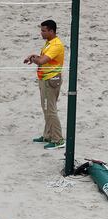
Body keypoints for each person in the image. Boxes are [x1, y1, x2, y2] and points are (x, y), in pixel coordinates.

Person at [23, 19, 65, 150]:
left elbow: (41, 61)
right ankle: (48, 135)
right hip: (45, 79)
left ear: (51, 31)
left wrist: (33, 58)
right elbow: (43, 59)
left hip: (50, 80)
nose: (41, 33)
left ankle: (58, 139)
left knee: (50, 110)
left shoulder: (56, 45)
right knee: (46, 108)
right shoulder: (49, 43)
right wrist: (33, 56)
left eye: (43, 31)